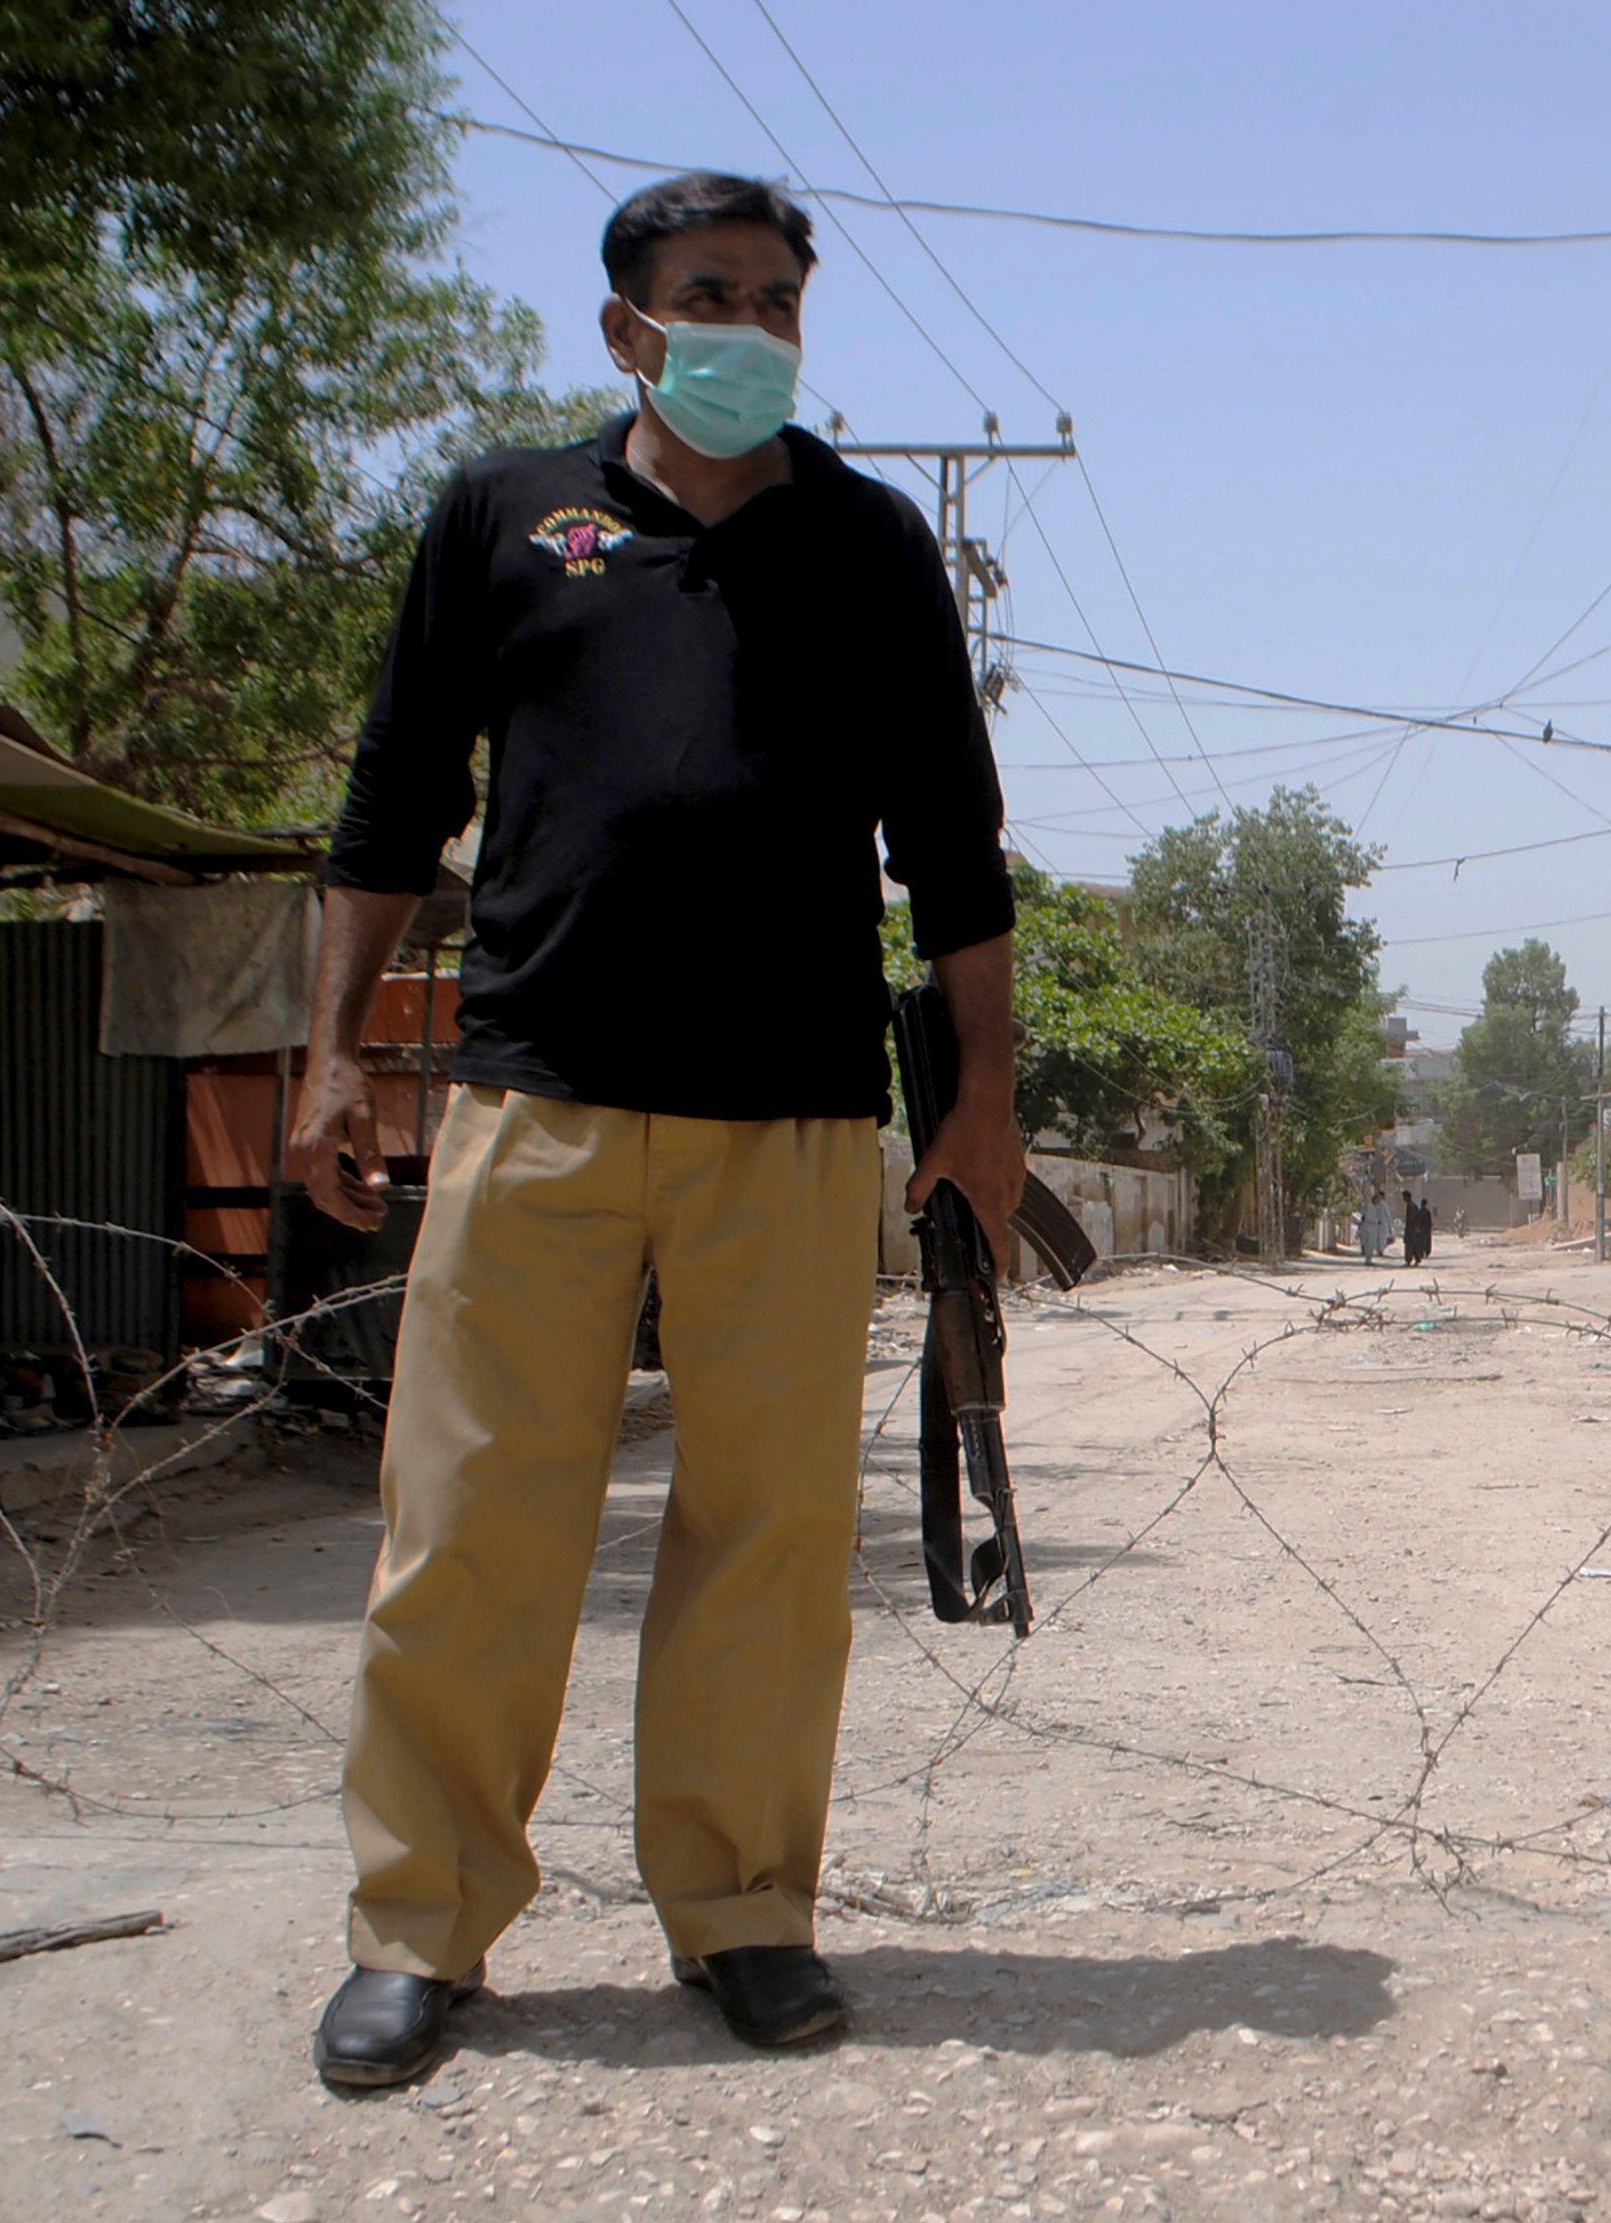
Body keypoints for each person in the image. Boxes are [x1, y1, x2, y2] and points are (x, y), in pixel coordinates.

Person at [287, 171, 1024, 2089]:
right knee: (469, 1525)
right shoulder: (502, 518)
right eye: (715, 296)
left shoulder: (868, 547)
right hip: (531, 1098)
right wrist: (333, 1055)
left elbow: (953, 852)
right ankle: (420, 1927)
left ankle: (745, 1910)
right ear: (628, 326)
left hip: (783, 1118)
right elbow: (385, 813)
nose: (753, 332)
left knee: (770, 1536)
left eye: (781, 300)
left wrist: (985, 1107)